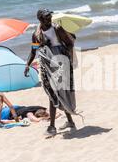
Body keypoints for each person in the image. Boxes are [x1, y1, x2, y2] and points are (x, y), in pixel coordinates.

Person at [24, 8, 79, 136]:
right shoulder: (36, 34)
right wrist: (27, 64)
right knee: (54, 92)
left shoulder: (57, 28)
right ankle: (70, 122)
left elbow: (70, 43)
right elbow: (33, 51)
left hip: (60, 63)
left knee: (56, 93)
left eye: (50, 17)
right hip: (46, 65)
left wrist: (63, 56)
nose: (49, 19)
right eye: (47, 17)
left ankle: (52, 127)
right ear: (40, 20)